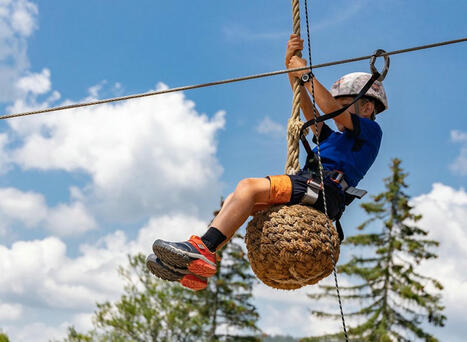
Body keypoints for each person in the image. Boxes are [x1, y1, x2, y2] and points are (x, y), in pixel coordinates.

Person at [146, 34, 388, 291]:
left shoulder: (371, 133)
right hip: (312, 187)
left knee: (248, 188)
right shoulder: (335, 139)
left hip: (323, 191)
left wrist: (306, 75)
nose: (334, 107)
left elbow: (331, 111)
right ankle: (198, 261)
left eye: (343, 103)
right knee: (237, 199)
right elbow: (310, 110)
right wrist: (291, 70)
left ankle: (202, 249)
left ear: (366, 108)